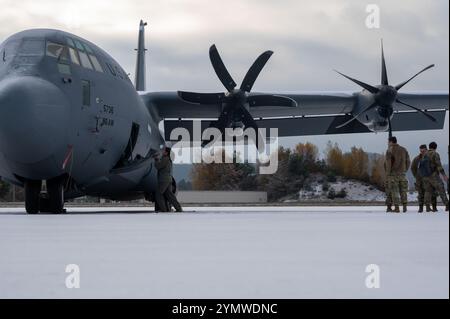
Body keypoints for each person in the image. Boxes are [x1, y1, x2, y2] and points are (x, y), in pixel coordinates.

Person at [384, 136, 410, 213]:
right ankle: (405, 207)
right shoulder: (404, 149)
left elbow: (388, 163)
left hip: (393, 174)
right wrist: (404, 170)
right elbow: (408, 161)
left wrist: (388, 174)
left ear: (391, 142)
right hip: (402, 174)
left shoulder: (390, 150)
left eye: (388, 141)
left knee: (394, 191)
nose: (388, 143)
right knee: (403, 190)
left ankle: (397, 208)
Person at [154, 146, 183, 213]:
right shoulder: (168, 159)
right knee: (170, 196)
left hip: (163, 180)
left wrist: (156, 159)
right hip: (168, 179)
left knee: (158, 194)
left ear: (167, 153)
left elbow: (158, 166)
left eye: (164, 151)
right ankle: (178, 208)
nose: (162, 152)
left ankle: (164, 209)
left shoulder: (165, 159)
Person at [422, 142, 449, 212]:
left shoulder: (424, 154)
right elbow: (439, 165)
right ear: (435, 147)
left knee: (428, 191)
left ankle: (428, 207)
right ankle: (447, 205)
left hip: (425, 176)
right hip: (433, 175)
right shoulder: (435, 154)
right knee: (441, 189)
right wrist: (444, 175)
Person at [411, 145, 437, 212]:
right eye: (421, 151)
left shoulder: (430, 158)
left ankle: (433, 207)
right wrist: (416, 176)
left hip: (429, 179)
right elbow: (412, 168)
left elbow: (435, 167)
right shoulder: (417, 159)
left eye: (423, 151)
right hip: (420, 179)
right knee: (421, 194)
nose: (422, 152)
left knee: (432, 193)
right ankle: (421, 208)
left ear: (426, 150)